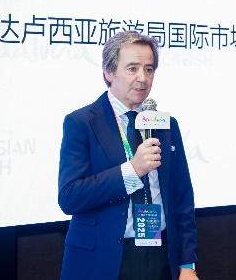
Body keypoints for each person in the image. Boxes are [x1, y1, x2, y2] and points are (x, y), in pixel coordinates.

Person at [58, 30, 199, 280]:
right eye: (132, 68)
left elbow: (182, 199)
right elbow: (70, 197)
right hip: (104, 258)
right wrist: (132, 171)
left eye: (149, 69)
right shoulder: (81, 122)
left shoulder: (166, 125)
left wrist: (187, 263)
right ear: (109, 72)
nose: (142, 78)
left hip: (161, 256)